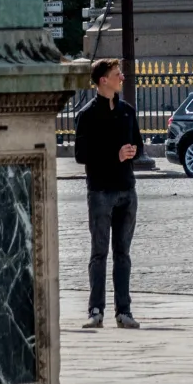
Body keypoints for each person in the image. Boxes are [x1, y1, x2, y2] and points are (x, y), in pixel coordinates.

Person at [73, 59, 141, 331]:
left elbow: (138, 143)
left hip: (127, 189)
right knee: (99, 252)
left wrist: (133, 151)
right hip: (100, 190)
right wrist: (114, 155)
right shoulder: (88, 115)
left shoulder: (127, 111)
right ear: (103, 80)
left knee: (123, 253)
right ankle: (96, 309)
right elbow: (81, 155)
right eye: (116, 75)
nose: (122, 78)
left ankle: (123, 311)